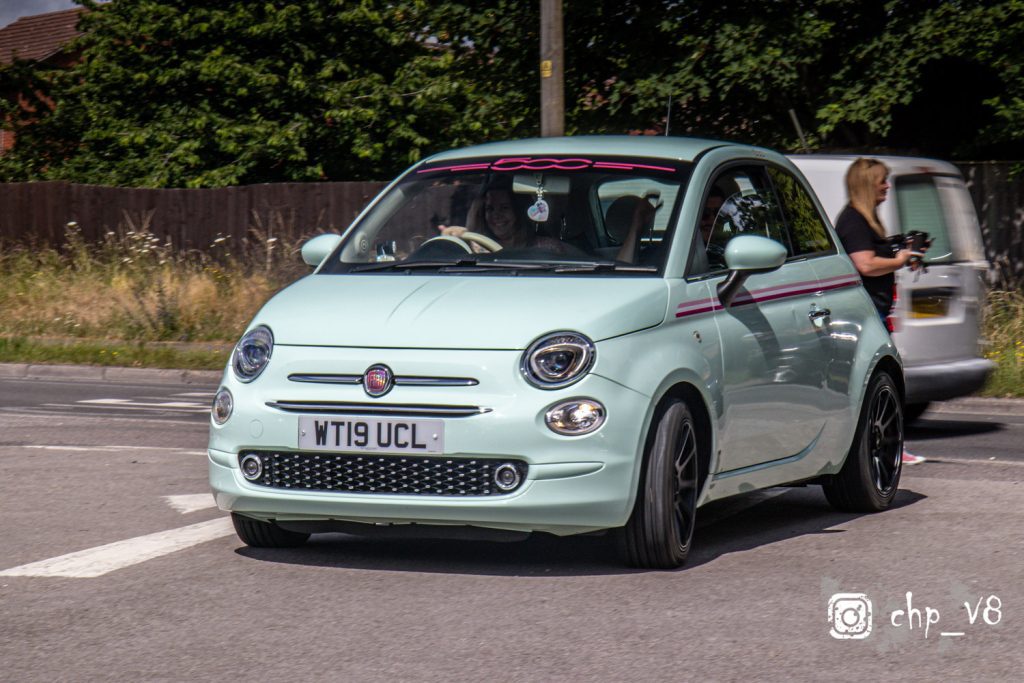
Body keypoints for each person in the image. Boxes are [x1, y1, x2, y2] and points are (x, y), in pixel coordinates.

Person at [835, 158, 925, 465]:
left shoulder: (867, 219)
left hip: (876, 311)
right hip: (866, 314)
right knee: (878, 382)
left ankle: (889, 444)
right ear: (866, 184)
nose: (887, 185)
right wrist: (898, 260)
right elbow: (865, 264)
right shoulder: (853, 221)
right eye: (881, 181)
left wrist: (902, 254)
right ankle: (885, 448)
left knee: (884, 381)